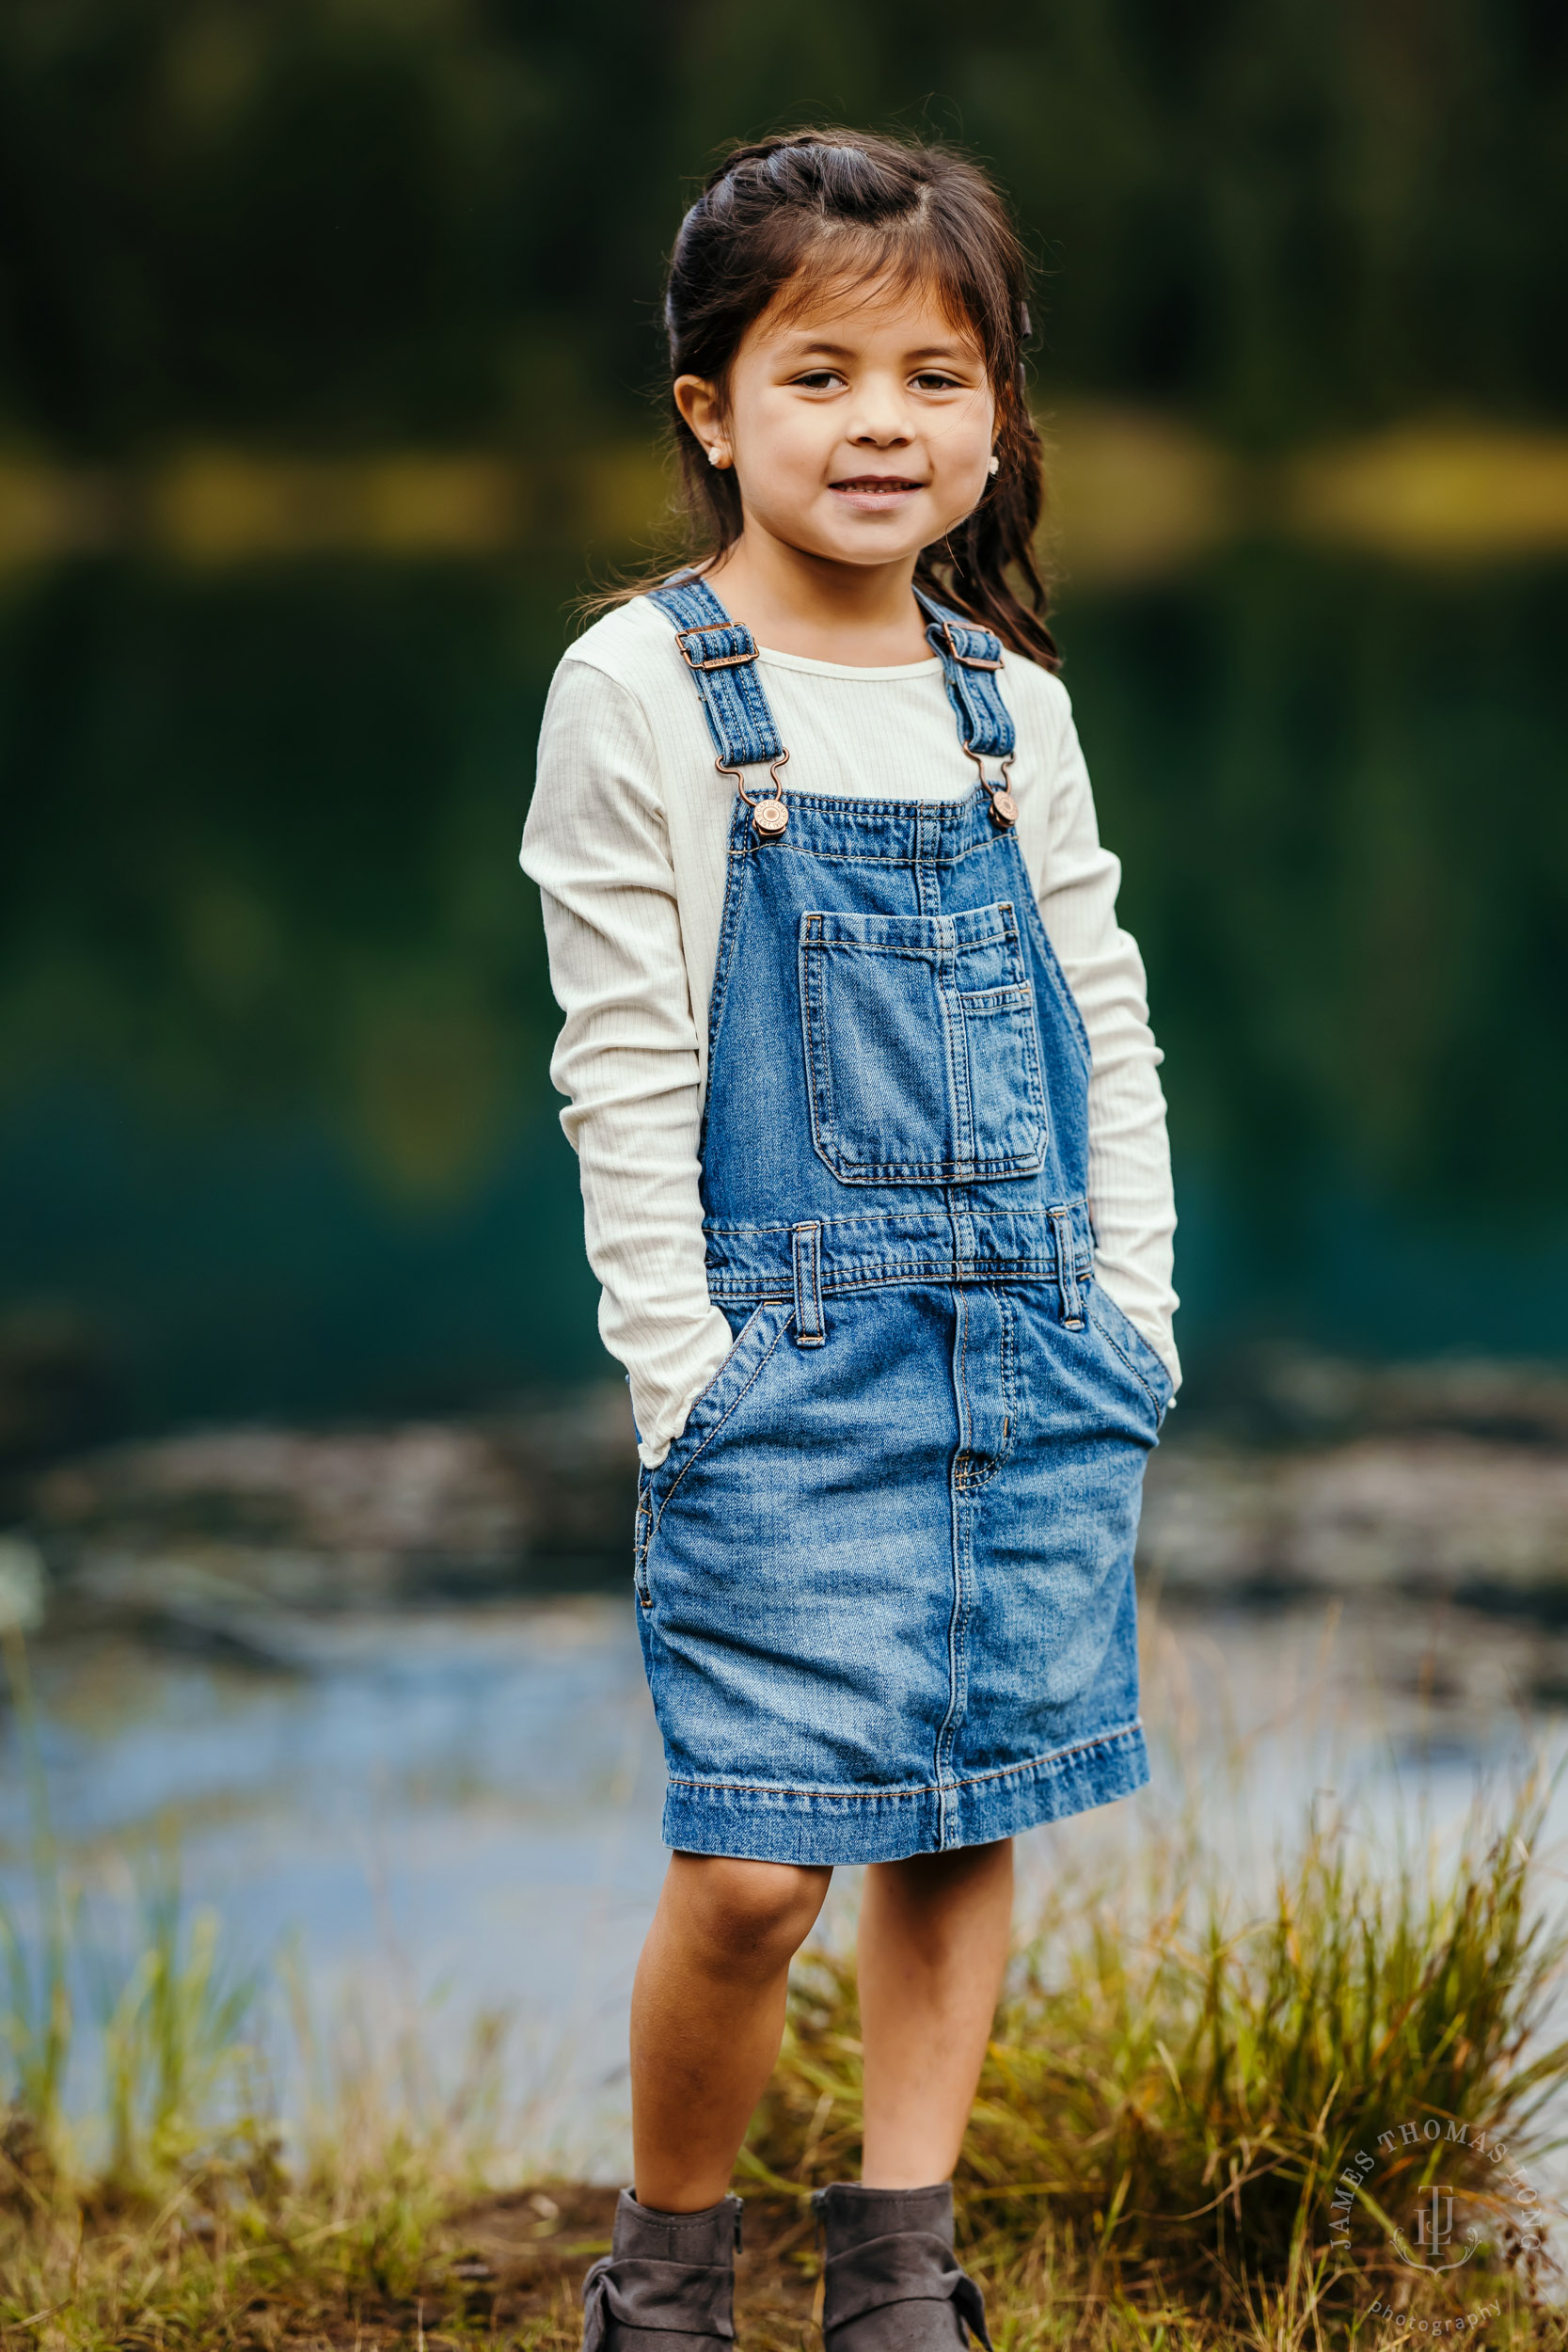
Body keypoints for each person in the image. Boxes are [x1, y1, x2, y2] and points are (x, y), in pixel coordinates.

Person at [520, 127, 1180, 2352]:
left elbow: (1107, 1013)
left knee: (963, 1805)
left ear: (1001, 416)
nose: (883, 421)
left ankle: (902, 2267)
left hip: (1033, 1333)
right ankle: (667, 2278)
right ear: (713, 411)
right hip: (780, 1356)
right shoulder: (643, 688)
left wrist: (1136, 1313)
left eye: (936, 373)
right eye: (820, 373)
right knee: (752, 1865)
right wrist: (681, 1367)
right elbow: (622, 1061)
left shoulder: (1018, 713)